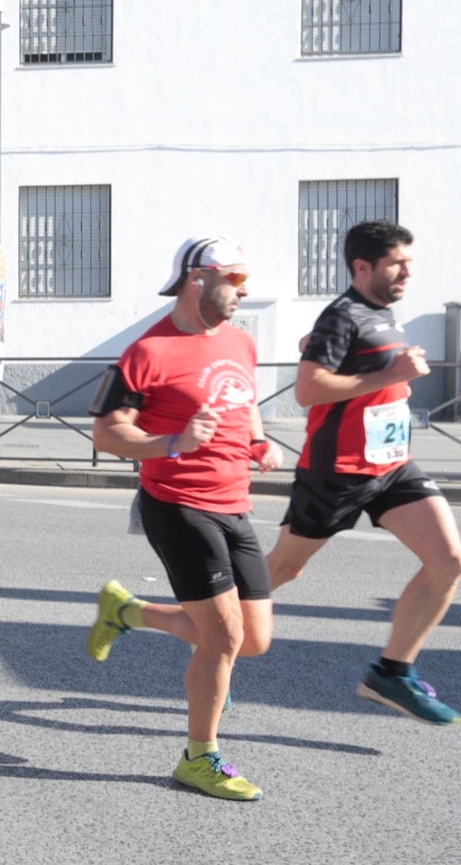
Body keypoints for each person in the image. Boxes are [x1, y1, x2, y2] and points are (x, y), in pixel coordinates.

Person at [85, 236, 282, 801]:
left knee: (255, 640)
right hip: (177, 504)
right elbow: (107, 432)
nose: (244, 290)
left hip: (234, 503)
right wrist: (171, 441)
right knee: (223, 637)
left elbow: (243, 400)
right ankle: (200, 757)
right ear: (198, 278)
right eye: (235, 279)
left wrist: (259, 440)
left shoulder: (241, 342)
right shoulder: (147, 352)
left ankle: (126, 611)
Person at [263, 221, 461, 724]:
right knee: (283, 570)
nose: (408, 273)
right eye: (398, 263)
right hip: (338, 471)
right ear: (362, 267)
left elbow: (348, 364)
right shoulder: (342, 314)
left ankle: (391, 674)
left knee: (449, 560)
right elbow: (308, 390)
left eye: (409, 263)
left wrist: (389, 382)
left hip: (392, 466)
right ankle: (168, 614)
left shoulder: (382, 312)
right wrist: (391, 375)